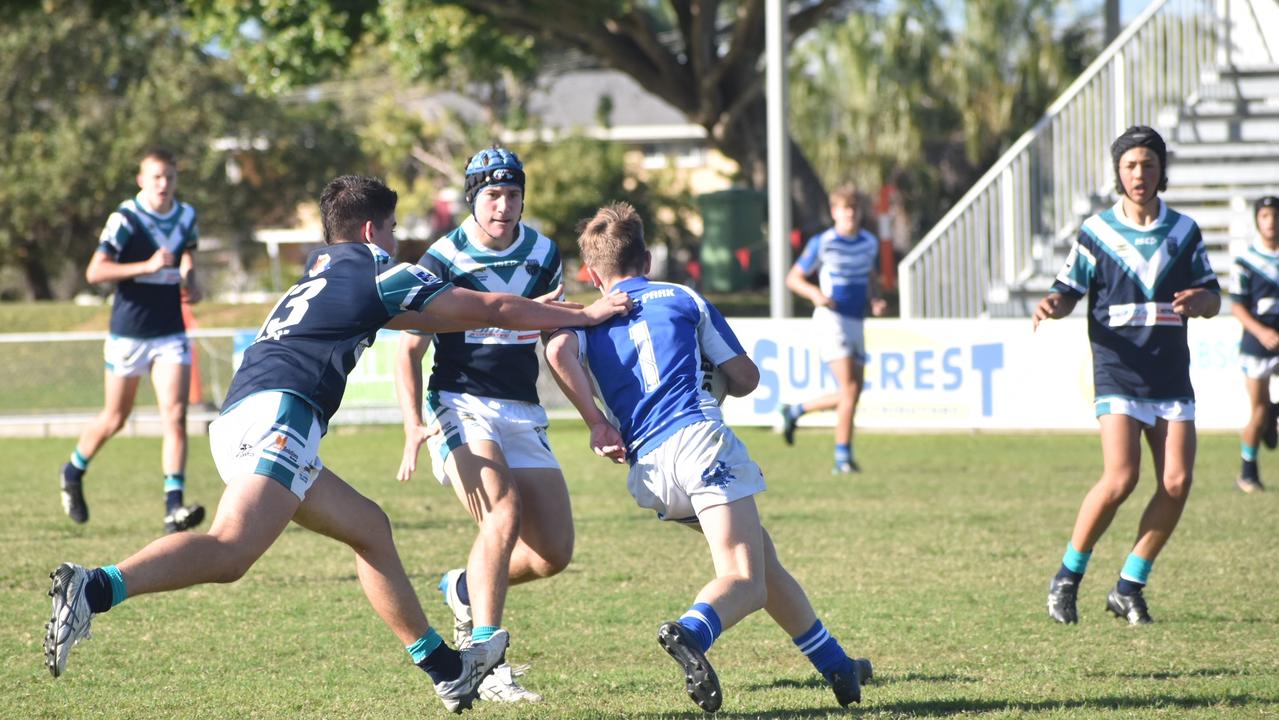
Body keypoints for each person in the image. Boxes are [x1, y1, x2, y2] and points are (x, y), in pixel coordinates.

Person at [43, 175, 631, 713]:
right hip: (282, 414)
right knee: (230, 551)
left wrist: (529, 314)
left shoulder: (324, 270)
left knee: (370, 529)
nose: (400, 241)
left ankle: (446, 671)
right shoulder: (379, 270)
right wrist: (586, 313)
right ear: (373, 230)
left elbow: (440, 321)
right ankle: (93, 587)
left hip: (251, 415)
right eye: (396, 230)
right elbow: (487, 306)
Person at [544, 201, 872, 713]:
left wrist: (597, 422)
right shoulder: (681, 297)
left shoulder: (586, 318)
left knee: (759, 556)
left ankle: (837, 665)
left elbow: (557, 352)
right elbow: (745, 378)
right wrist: (710, 371)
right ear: (647, 259)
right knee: (743, 577)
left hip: (649, 468)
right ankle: (692, 631)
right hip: (698, 441)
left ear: (592, 272)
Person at [394, 146, 568, 703]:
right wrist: (412, 423)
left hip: (521, 409)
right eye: (493, 195)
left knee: (551, 554)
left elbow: (557, 337)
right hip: (459, 403)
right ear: (474, 199)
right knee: (503, 511)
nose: (504, 204)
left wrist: (597, 419)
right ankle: (485, 664)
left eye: (513, 194)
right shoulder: (442, 257)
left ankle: (464, 588)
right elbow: (409, 347)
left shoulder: (543, 253)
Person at [1034, 126, 1221, 626]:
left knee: (1177, 481)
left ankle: (1129, 586)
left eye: (1149, 165)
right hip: (1119, 368)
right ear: (1118, 172)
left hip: (1169, 372)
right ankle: (1067, 577)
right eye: (1130, 165)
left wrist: (1204, 303)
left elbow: (1212, 295)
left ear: (1162, 172)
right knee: (1123, 476)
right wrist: (1055, 303)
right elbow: (1069, 287)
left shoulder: (1184, 232)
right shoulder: (1097, 232)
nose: (1140, 174)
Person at [59, 148, 206, 534]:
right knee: (115, 418)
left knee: (175, 415)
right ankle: (73, 471)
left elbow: (187, 253)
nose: (163, 184)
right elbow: (96, 271)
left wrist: (192, 279)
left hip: (171, 330)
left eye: (170, 177)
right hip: (128, 333)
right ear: (142, 180)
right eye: (156, 177)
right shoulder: (125, 218)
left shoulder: (187, 215)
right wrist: (147, 266)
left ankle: (173, 507)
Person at [778, 184, 887, 473]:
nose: (850, 214)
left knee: (853, 391)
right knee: (849, 389)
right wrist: (816, 295)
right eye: (844, 209)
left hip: (856, 320)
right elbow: (794, 279)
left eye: (854, 209)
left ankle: (796, 410)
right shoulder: (822, 242)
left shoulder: (869, 243)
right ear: (834, 212)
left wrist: (875, 299)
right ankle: (842, 459)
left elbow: (870, 275)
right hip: (831, 319)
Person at [1229, 195, 1279, 494]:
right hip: (1258, 344)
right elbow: (1237, 306)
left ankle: (1273, 417)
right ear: (1257, 221)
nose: (1271, 221)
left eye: (1275, 215)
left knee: (1266, 413)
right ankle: (1248, 473)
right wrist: (1261, 332)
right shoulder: (1246, 262)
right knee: (1258, 411)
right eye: (1265, 216)